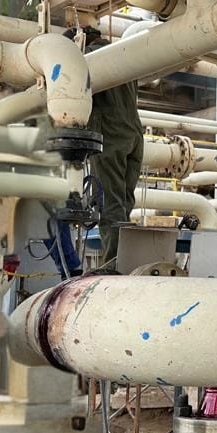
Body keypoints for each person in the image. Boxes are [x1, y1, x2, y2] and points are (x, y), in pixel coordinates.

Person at [80, 26, 144, 268]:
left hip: (110, 135)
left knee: (110, 205)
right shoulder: (124, 54)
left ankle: (114, 266)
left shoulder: (89, 57)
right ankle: (128, 261)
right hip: (134, 135)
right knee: (125, 203)